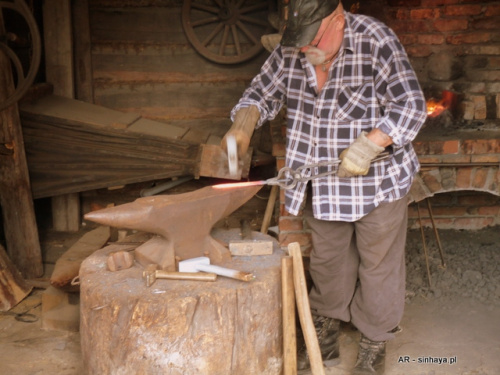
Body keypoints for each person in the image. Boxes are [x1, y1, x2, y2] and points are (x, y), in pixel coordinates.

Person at [222, 1, 427, 374]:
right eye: (299, 41)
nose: (304, 51)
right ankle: (325, 341)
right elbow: (260, 94)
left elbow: (411, 105)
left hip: (379, 184)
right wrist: (242, 126)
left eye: (312, 39)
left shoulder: (376, 39)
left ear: (337, 17)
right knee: (329, 263)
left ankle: (373, 347)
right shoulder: (293, 48)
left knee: (378, 266)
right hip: (325, 184)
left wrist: (370, 144)